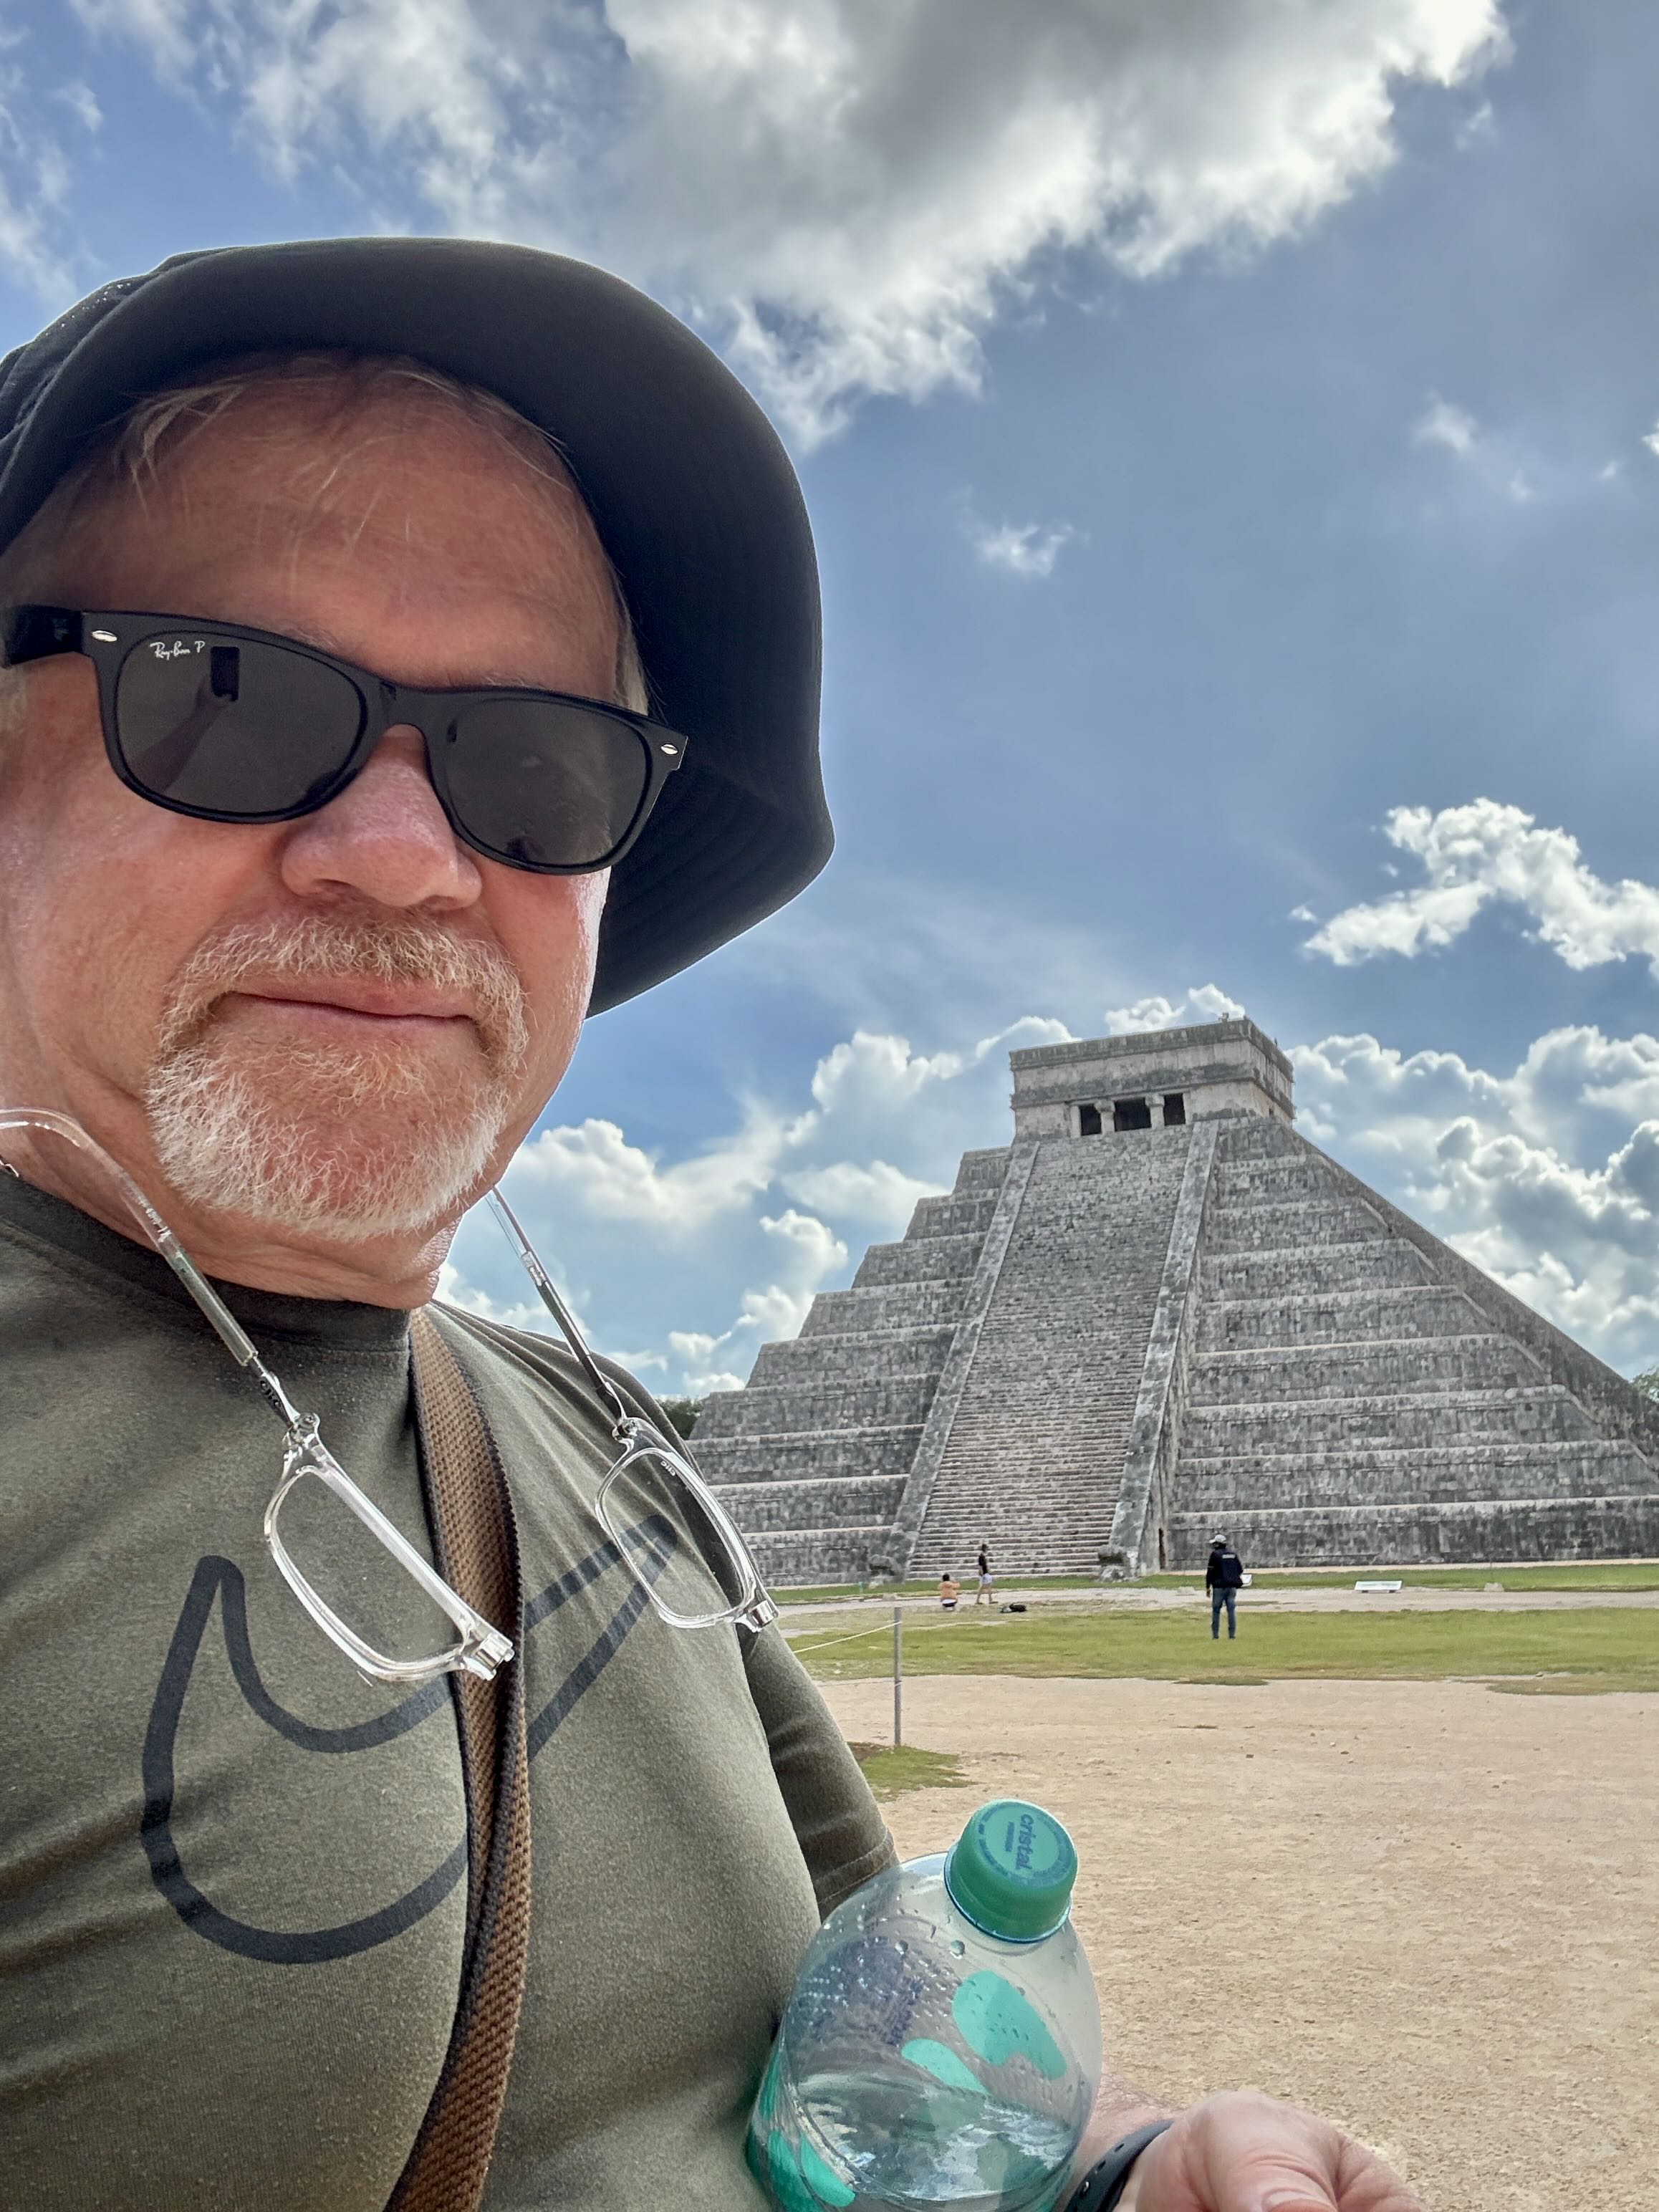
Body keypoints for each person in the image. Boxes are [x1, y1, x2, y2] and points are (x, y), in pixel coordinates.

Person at [0, 239, 1420, 2212]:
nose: (406, 858)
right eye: (228, 697)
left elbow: (860, 2064)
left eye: (534, 763)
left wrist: (1124, 2174)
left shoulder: (609, 1439)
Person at [1208, 1535, 1246, 1639]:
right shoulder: (1233, 1555)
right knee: (1231, 1611)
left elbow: (1210, 1572)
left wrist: (1208, 1587)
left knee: (1216, 1611)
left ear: (1217, 1544)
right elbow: (1240, 1570)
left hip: (1219, 1587)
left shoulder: (1215, 1555)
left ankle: (1215, 1635)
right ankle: (1232, 1635)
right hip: (1232, 1587)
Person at [976, 1539, 995, 1606]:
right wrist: (982, 1574)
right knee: (984, 1587)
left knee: (987, 1586)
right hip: (984, 1574)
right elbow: (980, 1566)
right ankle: (987, 1600)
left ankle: (989, 1599)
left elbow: (984, 1565)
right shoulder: (981, 1556)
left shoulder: (983, 1556)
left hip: (985, 1573)